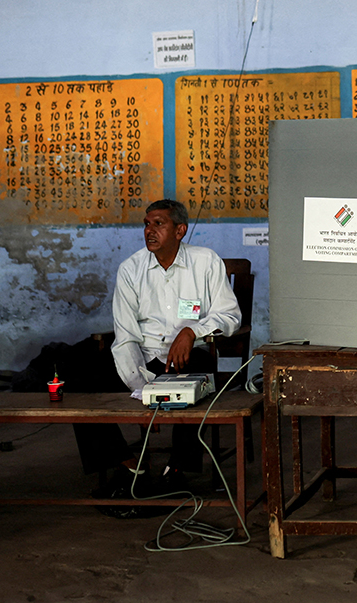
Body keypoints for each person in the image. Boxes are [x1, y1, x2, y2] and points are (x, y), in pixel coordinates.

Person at [73, 199, 241, 505]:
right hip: (143, 356)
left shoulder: (205, 262)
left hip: (189, 354)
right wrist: (140, 384)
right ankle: (126, 463)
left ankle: (177, 468)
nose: (150, 231)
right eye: (146, 224)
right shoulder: (131, 269)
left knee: (197, 378)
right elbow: (125, 335)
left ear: (180, 231)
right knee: (83, 383)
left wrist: (192, 331)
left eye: (159, 224)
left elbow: (230, 316)